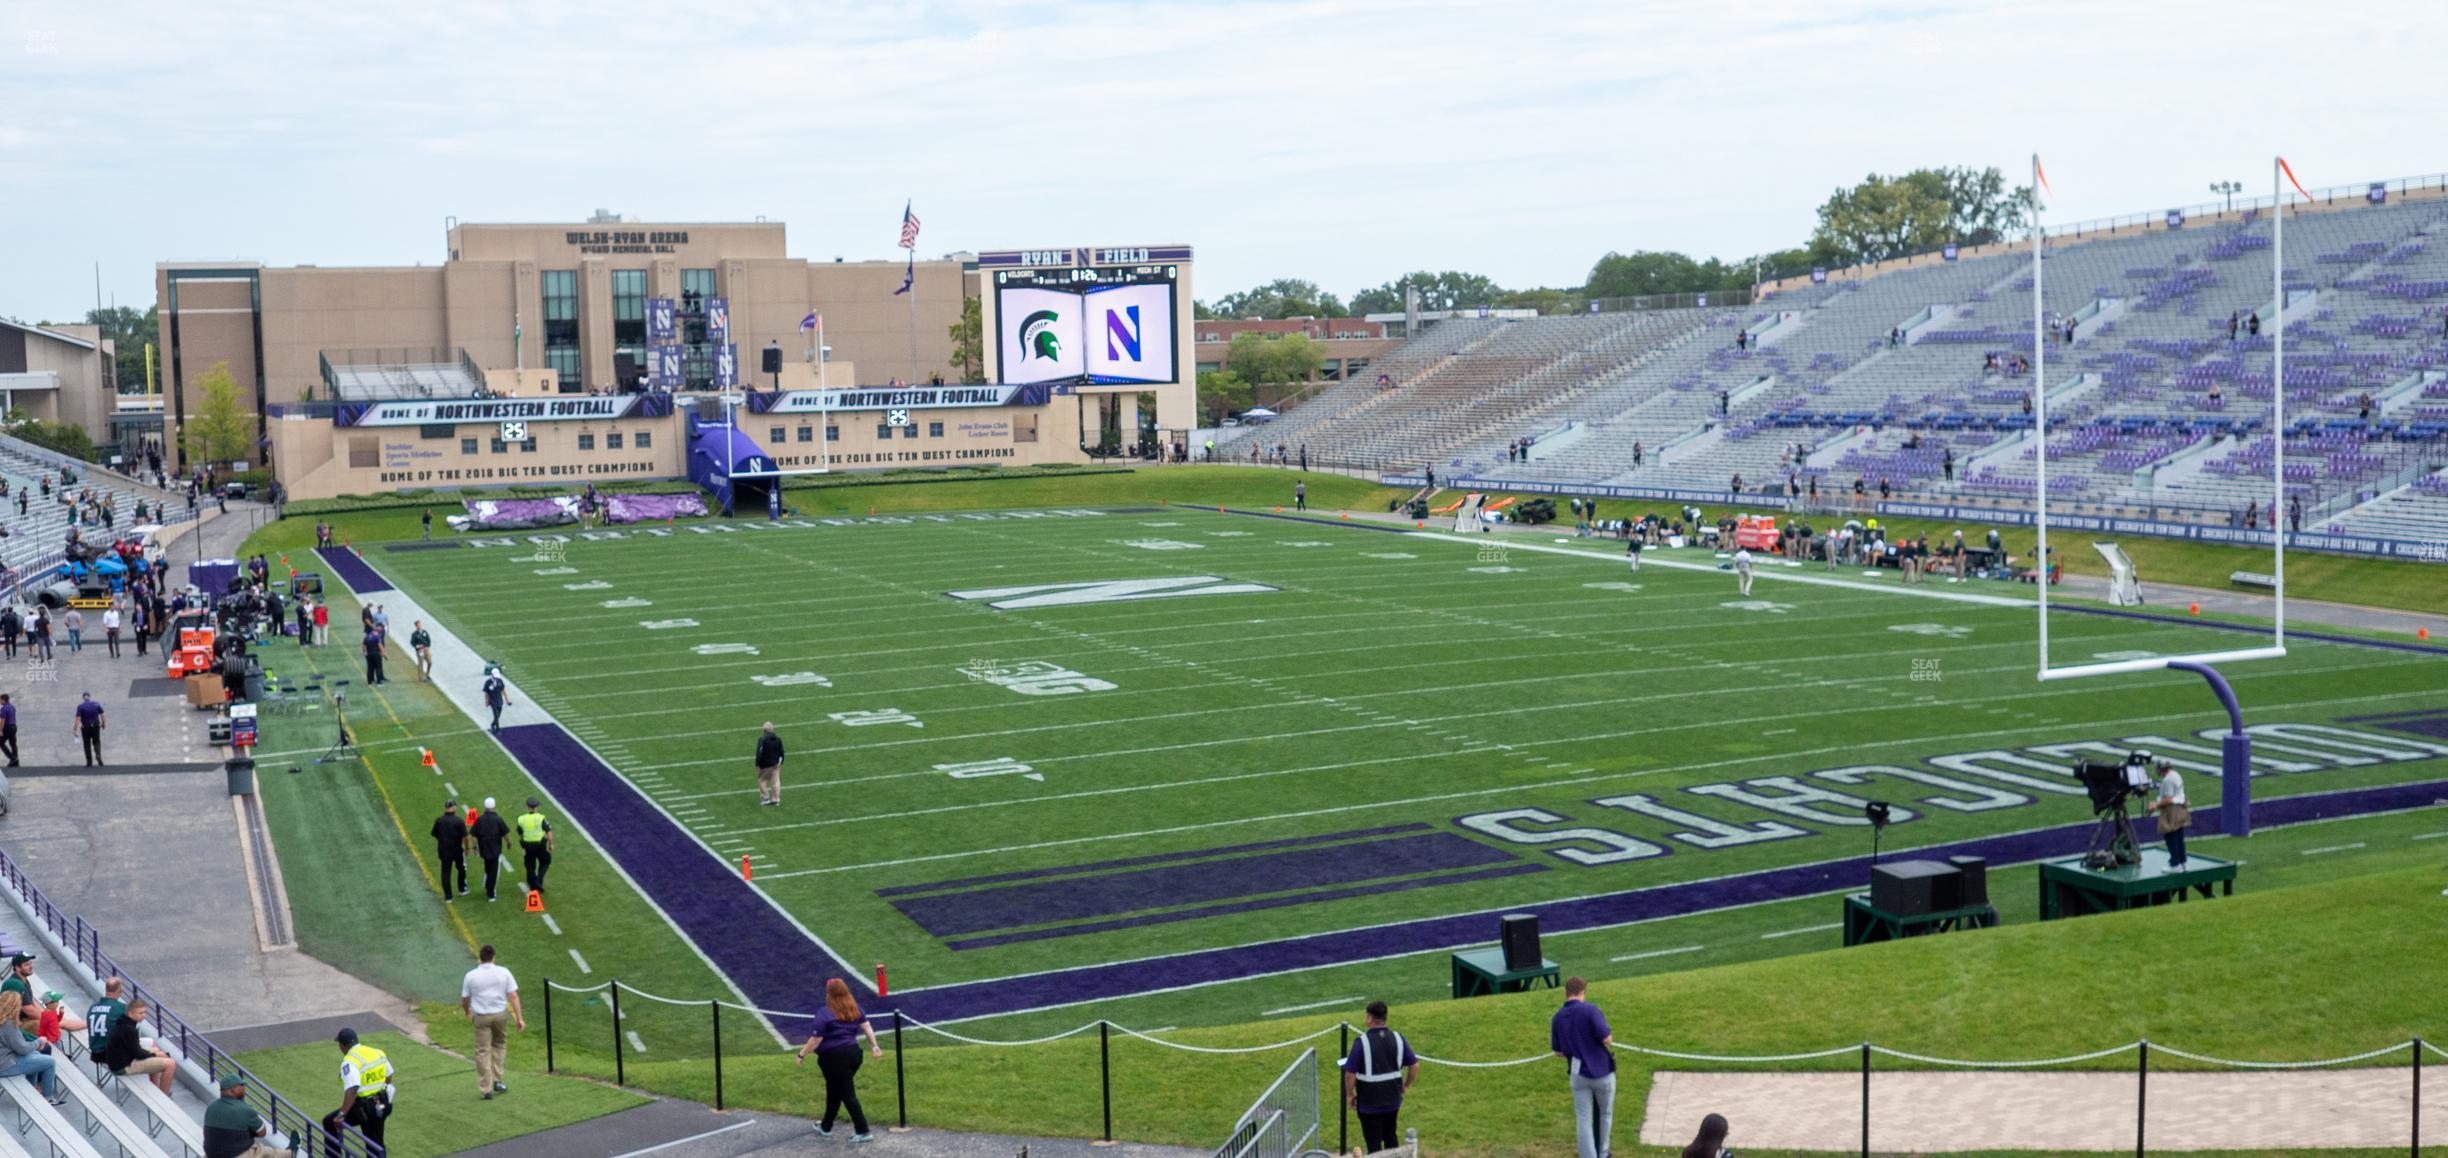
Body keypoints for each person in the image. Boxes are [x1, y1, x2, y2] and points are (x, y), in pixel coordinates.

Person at [794, 977, 883, 1141]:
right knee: (835, 1090)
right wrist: (874, 1046)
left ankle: (863, 1131)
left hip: (834, 1059)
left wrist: (801, 1054)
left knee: (847, 1094)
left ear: (829, 994)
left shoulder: (824, 1012)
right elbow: (867, 1027)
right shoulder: (854, 1008)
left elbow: (816, 1040)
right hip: (854, 1055)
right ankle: (826, 1126)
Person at [1341, 1000, 1417, 1154]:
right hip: (1392, 1101)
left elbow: (1350, 1074)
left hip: (1369, 1104)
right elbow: (1414, 1065)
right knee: (1391, 1137)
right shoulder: (1398, 1038)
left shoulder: (1362, 1042)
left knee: (1373, 1145)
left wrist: (1349, 1095)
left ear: (1370, 1018)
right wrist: (1406, 1085)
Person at [1552, 977, 1616, 1158]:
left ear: (1566, 993)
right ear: (1583, 992)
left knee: (1583, 1118)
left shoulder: (1558, 1017)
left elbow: (1558, 1051)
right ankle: (1603, 1153)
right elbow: (1606, 1039)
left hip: (1578, 1072)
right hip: (1601, 1071)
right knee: (1605, 1114)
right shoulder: (1590, 1010)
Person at [461, 944, 523, 1100]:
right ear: (493, 957)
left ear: (480, 958)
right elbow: (513, 996)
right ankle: (497, 1080)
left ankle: (486, 1089)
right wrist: (519, 1017)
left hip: (481, 1017)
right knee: (499, 1046)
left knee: (482, 1051)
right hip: (500, 1015)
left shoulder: (471, 975)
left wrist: (467, 1011)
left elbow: (465, 998)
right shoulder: (504, 972)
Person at [328, 1027, 392, 1149]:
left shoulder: (350, 1061)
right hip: (382, 1103)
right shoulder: (377, 1052)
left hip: (366, 1108)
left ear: (342, 1046)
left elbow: (352, 1090)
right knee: (376, 1141)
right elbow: (389, 1075)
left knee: (330, 1123)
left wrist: (342, 1114)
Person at [105, 997, 178, 1095]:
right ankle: (163, 1096)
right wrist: (156, 1054)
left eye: (144, 1012)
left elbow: (134, 1049)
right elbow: (138, 1054)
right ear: (131, 1013)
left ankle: (155, 1088)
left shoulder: (122, 1021)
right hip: (122, 1067)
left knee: (153, 1046)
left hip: (119, 1060)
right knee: (171, 1064)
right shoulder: (129, 1029)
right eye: (140, 1013)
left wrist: (154, 1053)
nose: (144, 1016)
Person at [0, 992, 62, 1106]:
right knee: (49, 1061)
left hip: (5, 1059)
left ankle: (32, 1093)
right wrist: (40, 1041)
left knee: (35, 1055)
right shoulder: (8, 1025)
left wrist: (35, 1045)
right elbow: (22, 1049)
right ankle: (48, 1097)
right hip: (4, 1065)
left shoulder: (4, 1021)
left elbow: (20, 1046)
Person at [205, 1073, 283, 1158]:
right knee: (266, 1151)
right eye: (241, 1085)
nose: (244, 1088)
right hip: (235, 1155)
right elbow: (262, 1132)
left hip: (211, 1154)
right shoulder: (245, 1109)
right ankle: (291, 1152)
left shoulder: (211, 1107)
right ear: (233, 1090)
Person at [2149, 758, 2189, 869]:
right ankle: (2183, 862)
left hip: (2172, 810)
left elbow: (2168, 799)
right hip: (2180, 807)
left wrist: (2155, 805)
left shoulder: (2167, 780)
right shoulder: (2175, 774)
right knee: (2179, 836)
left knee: (2171, 836)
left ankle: (2175, 864)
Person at [471, 797, 512, 902]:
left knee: (488, 867)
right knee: (493, 871)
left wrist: (474, 847)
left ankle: (487, 885)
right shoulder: (498, 819)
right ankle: (491, 894)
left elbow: (474, 835)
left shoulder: (480, 819)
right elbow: (506, 833)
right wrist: (508, 843)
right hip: (495, 849)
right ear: (494, 807)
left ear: (485, 807)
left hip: (484, 848)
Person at [517, 797, 554, 898]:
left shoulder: (521, 819)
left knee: (530, 866)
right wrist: (550, 844)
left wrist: (522, 845)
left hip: (528, 845)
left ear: (527, 807)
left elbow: (520, 834)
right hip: (540, 844)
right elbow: (548, 832)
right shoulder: (541, 818)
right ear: (536, 807)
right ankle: (538, 881)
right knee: (546, 861)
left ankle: (533, 886)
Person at [433, 800, 469, 901]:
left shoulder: (439, 821)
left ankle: (448, 896)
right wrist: (467, 848)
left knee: (445, 872)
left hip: (444, 850)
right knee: (461, 868)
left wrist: (442, 842)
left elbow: (435, 834)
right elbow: (465, 837)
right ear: (454, 808)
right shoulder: (459, 821)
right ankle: (462, 889)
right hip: (457, 849)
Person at [755, 722, 786, 807]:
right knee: (775, 781)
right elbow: (781, 752)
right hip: (776, 763)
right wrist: (781, 762)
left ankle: (765, 799)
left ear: (764, 731)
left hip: (766, 764)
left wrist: (757, 765)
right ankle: (776, 799)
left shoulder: (762, 739)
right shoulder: (778, 739)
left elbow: (759, 753)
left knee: (762, 780)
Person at [72, 692, 104, 767]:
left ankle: (89, 762)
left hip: (85, 727)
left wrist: (74, 729)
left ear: (83, 698)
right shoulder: (96, 704)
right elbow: (102, 715)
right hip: (96, 726)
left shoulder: (80, 706)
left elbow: (78, 718)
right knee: (96, 742)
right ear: (89, 697)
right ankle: (98, 755)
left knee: (87, 744)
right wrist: (103, 724)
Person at [482, 667, 509, 733]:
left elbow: (503, 690)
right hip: (492, 700)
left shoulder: (500, 680)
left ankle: (493, 724)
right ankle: (497, 729)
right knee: (496, 715)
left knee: (498, 715)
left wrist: (506, 698)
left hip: (499, 700)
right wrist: (486, 701)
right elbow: (486, 693)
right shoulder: (488, 682)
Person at [0, 693, 15, 769]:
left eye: (0, 700)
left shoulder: (3, 709)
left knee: (0, 742)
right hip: (14, 727)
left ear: (3, 700)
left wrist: (0, 730)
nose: (0, 702)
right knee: (13, 744)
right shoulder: (12, 707)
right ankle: (15, 760)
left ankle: (11, 757)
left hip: (7, 727)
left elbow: (2, 720)